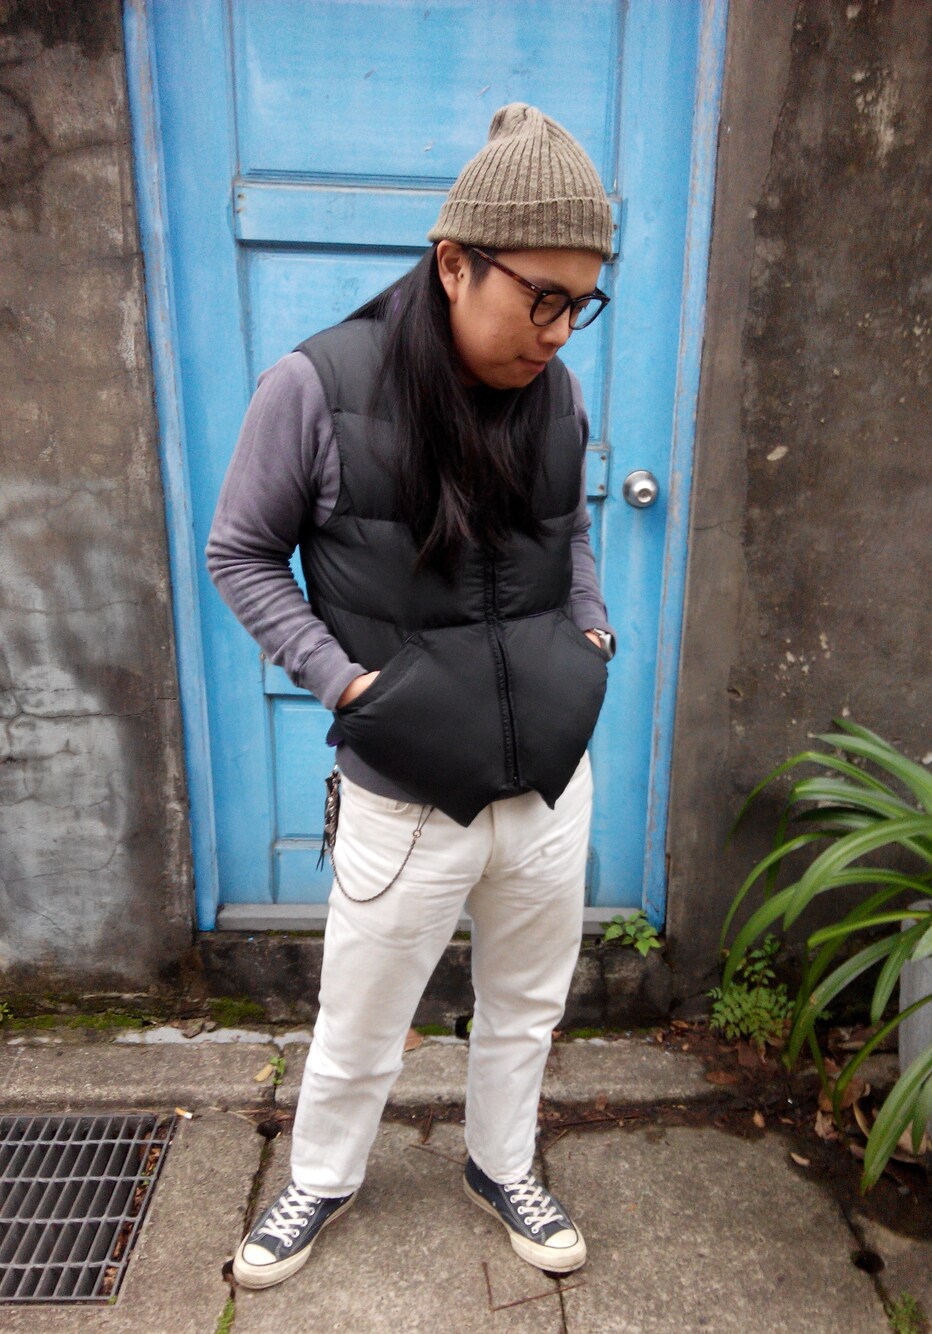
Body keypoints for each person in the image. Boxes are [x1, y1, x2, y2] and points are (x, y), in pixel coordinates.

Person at [206, 103, 616, 1290]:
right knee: (362, 1019)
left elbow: (568, 530)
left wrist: (589, 634)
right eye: (540, 296)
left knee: (526, 1004)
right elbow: (240, 551)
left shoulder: (556, 391)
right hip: (402, 792)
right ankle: (319, 1177)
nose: (558, 329)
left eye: (581, 302)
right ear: (453, 262)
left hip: (549, 779)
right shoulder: (314, 385)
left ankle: (503, 1163)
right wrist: (347, 682)